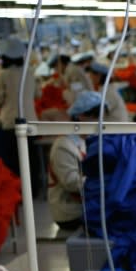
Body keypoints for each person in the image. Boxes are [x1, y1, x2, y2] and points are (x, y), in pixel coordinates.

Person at [47, 91, 100, 230]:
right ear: (80, 117)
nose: (98, 121)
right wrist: (104, 181)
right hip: (70, 212)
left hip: (86, 205)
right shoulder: (63, 146)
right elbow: (71, 183)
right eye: (94, 116)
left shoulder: (86, 140)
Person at [0, 36, 41, 182]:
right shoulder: (30, 72)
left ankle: (18, 190)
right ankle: (34, 187)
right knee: (31, 157)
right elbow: (38, 94)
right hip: (31, 120)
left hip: (11, 122)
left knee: (14, 160)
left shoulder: (3, 75)